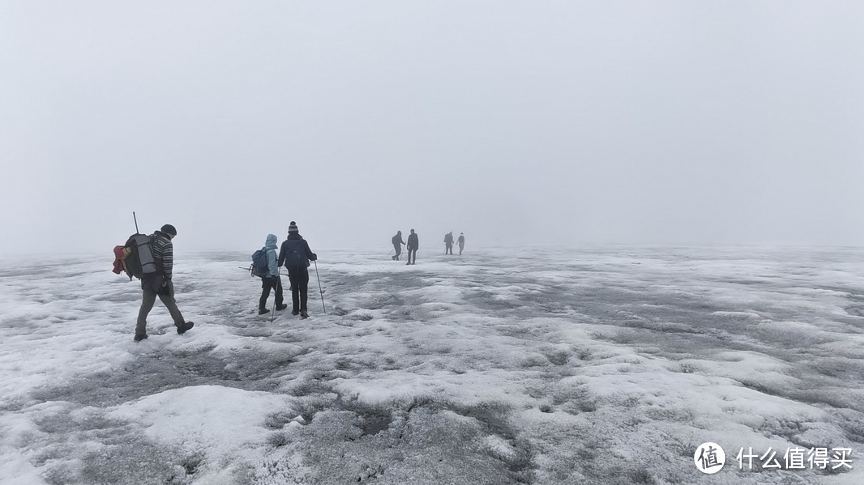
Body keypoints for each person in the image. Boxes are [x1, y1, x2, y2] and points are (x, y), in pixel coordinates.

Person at [135, 224, 194, 342]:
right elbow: (167, 263)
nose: (172, 238)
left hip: (147, 278)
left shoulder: (148, 239)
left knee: (145, 305)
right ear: (169, 233)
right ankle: (181, 326)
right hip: (160, 278)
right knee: (170, 302)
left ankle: (140, 333)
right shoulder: (166, 243)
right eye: (173, 235)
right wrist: (168, 279)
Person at [278, 221, 318, 318]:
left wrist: (278, 264)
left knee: (295, 289)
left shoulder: (285, 244)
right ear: (297, 232)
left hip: (291, 270)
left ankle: (295, 309)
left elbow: (281, 259)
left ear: (289, 232)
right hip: (302, 269)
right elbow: (310, 255)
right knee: (303, 289)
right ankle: (303, 309)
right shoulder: (303, 242)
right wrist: (314, 257)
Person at [259, 233, 287, 315]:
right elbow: (271, 265)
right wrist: (274, 275)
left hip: (265, 276)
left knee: (265, 292)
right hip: (272, 276)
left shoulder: (265, 250)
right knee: (278, 291)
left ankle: (262, 308)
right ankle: (279, 305)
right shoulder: (271, 252)